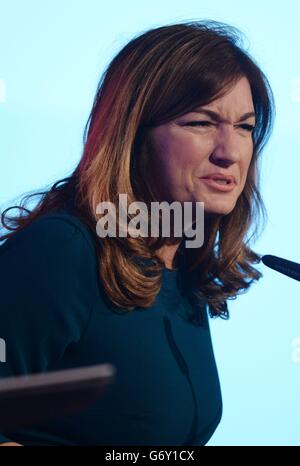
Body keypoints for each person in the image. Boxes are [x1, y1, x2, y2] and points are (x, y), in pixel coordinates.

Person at [0, 19, 275, 446]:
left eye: (244, 127)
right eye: (202, 123)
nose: (230, 152)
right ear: (134, 134)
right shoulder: (64, 251)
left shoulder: (181, 261)